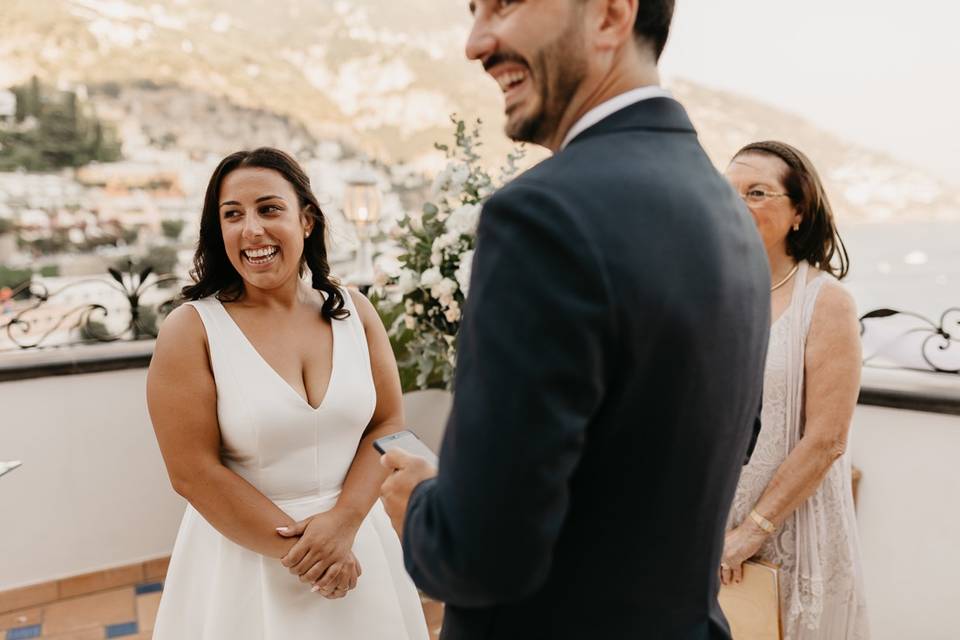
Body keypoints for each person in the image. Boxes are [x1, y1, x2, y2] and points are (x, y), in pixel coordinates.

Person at [379, 1, 771, 637]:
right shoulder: (727, 213)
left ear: (611, 16)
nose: (476, 43)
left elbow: (478, 555)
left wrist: (421, 505)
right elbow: (716, 444)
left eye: (504, 4)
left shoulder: (542, 216)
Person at [146, 148, 428, 639]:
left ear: (307, 220)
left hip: (359, 541)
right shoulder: (191, 330)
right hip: (246, 562)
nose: (251, 229)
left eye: (269, 208)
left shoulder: (354, 311)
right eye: (232, 215)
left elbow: (389, 425)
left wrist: (343, 524)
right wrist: (313, 557)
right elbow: (192, 472)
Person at [722, 141, 869, 639]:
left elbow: (828, 439)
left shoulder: (826, 302)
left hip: (792, 532)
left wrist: (751, 533)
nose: (737, 204)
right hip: (710, 532)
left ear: (799, 212)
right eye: (727, 192)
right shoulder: (710, 293)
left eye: (757, 193)